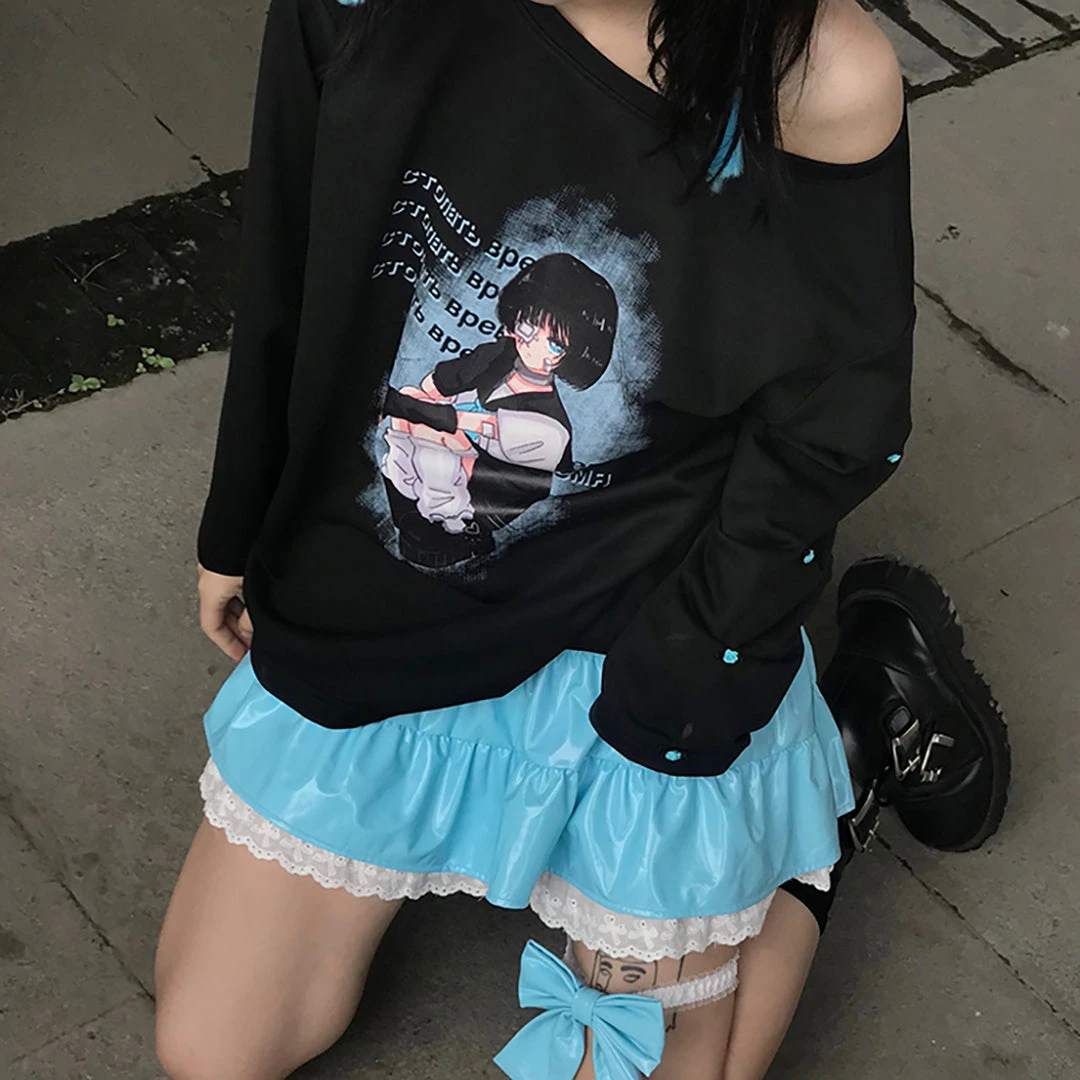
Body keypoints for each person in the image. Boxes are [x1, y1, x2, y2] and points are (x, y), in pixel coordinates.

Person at [153, 1, 1011, 1078]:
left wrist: (689, 687)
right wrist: (241, 523)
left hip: (643, 614)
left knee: (667, 1061)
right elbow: (289, 251)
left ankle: (845, 747)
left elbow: (831, 426)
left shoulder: (814, 64)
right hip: (387, 601)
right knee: (211, 1048)